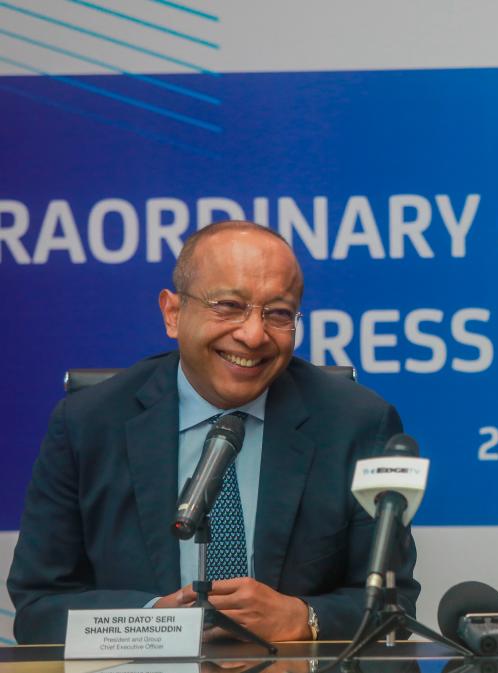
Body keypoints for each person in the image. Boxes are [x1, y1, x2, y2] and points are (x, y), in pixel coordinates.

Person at [8, 220, 419, 644]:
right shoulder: (86, 424)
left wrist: (304, 617)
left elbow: (395, 603)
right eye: (228, 305)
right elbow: (39, 606)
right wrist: (150, 622)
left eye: (277, 313)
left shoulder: (356, 423)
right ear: (173, 313)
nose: (253, 334)